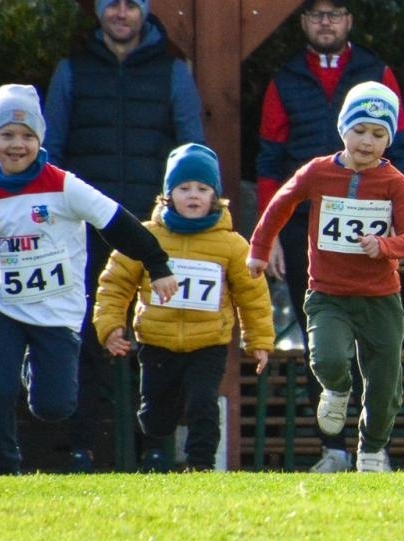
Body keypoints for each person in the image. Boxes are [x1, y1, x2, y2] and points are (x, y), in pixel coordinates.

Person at [0, 85, 179, 475]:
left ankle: (34, 363)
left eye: (28, 136)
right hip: (3, 307)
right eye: (8, 135)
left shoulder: (63, 186)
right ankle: (5, 470)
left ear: (39, 140)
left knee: (54, 407)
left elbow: (116, 223)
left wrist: (158, 263)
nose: (18, 145)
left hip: (59, 313)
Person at [43, 0, 205, 470]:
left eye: (130, 5)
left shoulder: (173, 72)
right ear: (100, 12)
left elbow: (191, 150)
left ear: (142, 11)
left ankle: (154, 447)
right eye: (112, 5)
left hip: (152, 229)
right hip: (84, 230)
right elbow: (50, 153)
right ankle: (81, 446)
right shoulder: (71, 71)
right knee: (86, 334)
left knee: (156, 337)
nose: (121, 13)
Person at [254, 0, 404, 464]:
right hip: (309, 235)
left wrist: (397, 235)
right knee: (321, 344)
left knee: (379, 355)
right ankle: (332, 448)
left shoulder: (378, 72)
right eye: (316, 15)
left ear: (348, 21)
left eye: (335, 14)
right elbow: (268, 160)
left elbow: (403, 151)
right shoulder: (283, 79)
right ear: (304, 23)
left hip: (377, 236)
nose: (326, 22)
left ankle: (374, 449)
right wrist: (273, 237)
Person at [93, 144, 276, 471]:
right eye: (184, 188)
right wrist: (110, 325)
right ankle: (153, 449)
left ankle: (201, 466)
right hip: (156, 340)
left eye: (203, 189)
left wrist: (259, 341)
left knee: (203, 403)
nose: (193, 195)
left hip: (208, 343)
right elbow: (115, 283)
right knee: (155, 419)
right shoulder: (144, 237)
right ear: (167, 195)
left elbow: (253, 295)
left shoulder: (232, 245)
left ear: (215, 197)